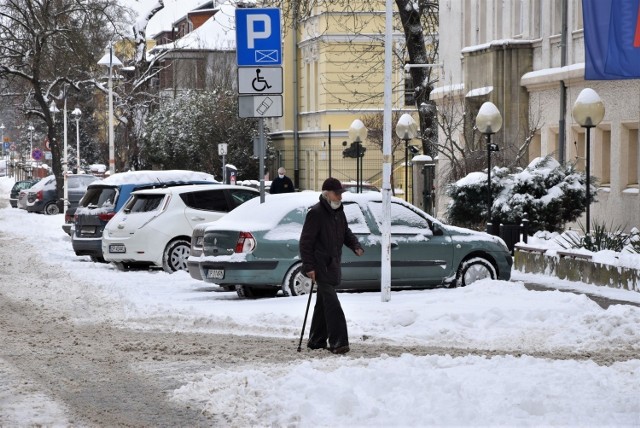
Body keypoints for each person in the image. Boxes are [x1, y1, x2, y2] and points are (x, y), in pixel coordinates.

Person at [299, 177, 364, 354]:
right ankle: (339, 342)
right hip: (320, 266)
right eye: (337, 194)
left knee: (322, 304)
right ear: (327, 194)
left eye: (341, 194)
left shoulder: (338, 213)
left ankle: (316, 340)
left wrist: (355, 245)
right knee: (333, 304)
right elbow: (306, 242)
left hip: (332, 264)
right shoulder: (316, 213)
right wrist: (309, 266)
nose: (340, 198)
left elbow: (345, 232)